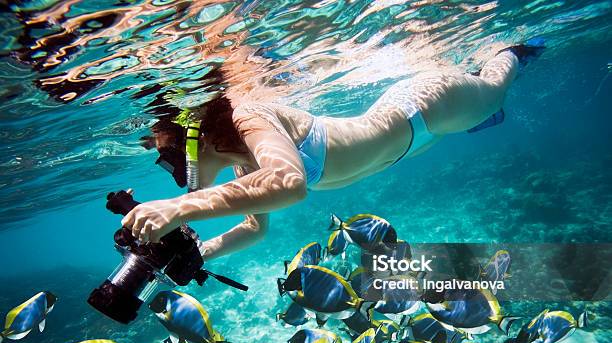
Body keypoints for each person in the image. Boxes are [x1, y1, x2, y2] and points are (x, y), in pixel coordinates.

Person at [122, 40, 545, 260]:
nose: (170, 167)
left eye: (168, 154)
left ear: (194, 137)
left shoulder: (248, 117)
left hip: (425, 109)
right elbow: (255, 227)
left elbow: (290, 183)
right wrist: (201, 251)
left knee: (494, 90)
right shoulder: (244, 171)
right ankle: (478, 113)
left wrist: (180, 209)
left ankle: (513, 52)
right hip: (412, 145)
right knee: (478, 114)